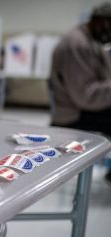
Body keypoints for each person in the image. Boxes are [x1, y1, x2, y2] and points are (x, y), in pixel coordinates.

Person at [50, 2, 111, 183]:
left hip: (83, 107)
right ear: (100, 21)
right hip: (74, 114)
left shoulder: (89, 40)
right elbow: (85, 97)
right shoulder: (76, 44)